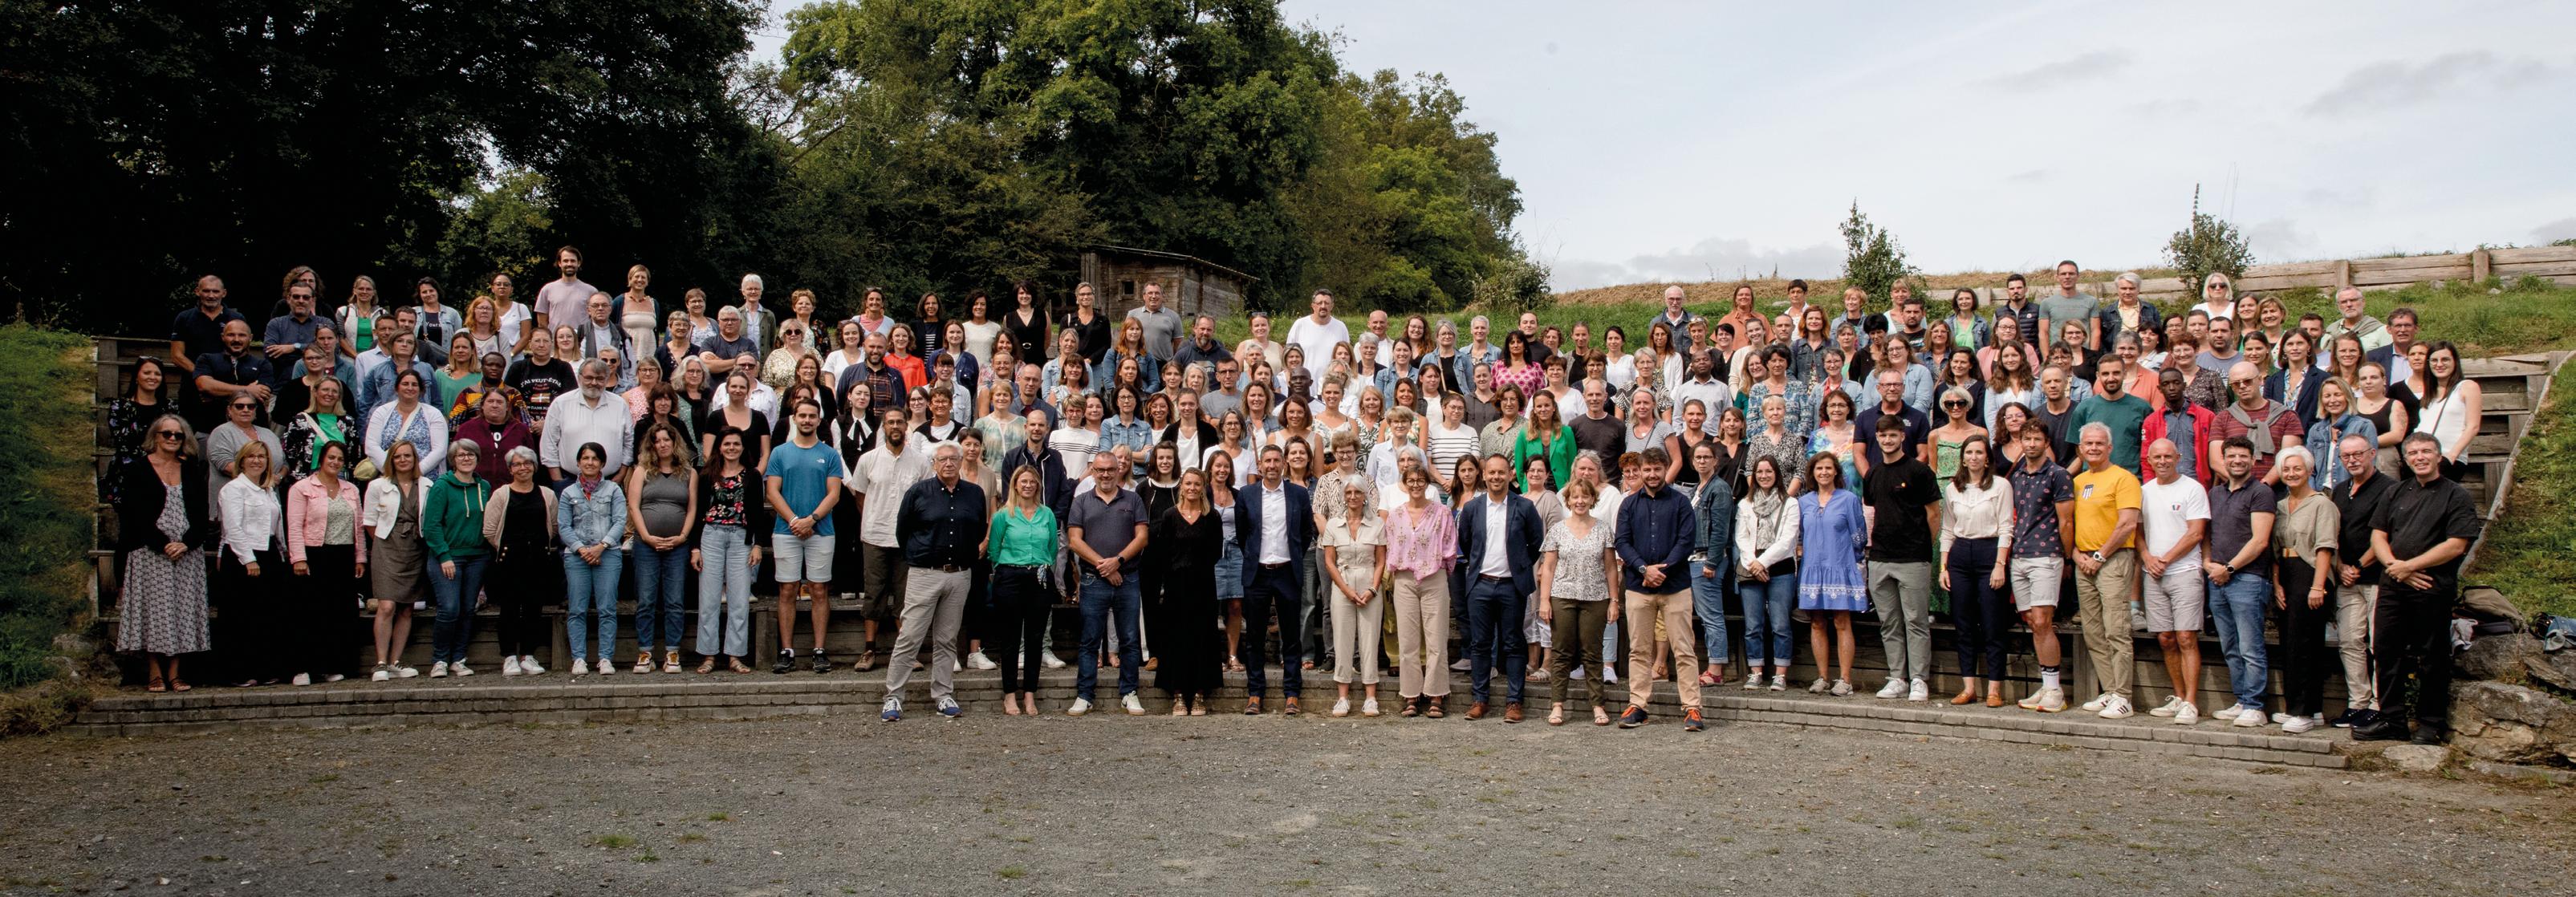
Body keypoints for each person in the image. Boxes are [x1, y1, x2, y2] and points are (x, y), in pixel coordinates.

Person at [2355, 433, 2483, 744]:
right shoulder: (2395, 491)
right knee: (2385, 651)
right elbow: (2378, 536)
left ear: (2439, 457)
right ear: (2406, 460)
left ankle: (2430, 723)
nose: (2420, 457)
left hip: (2432, 586)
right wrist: (2396, 567)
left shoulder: (2456, 495)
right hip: (2393, 585)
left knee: (2432, 656)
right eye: (2413, 453)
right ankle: (2393, 720)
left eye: (2426, 451)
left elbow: (2456, 545)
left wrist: (2410, 567)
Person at [877, 443, 988, 721]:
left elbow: (978, 529)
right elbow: (903, 531)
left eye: (953, 459)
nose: (948, 463)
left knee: (947, 639)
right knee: (910, 636)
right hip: (924, 574)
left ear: (961, 462)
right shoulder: (918, 492)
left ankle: (943, 694)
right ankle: (893, 697)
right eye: (943, 459)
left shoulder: (974, 494)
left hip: (959, 575)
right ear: (933, 463)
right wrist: (920, 556)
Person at [1608, 447, 1702, 731]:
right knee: (1638, 649)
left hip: (1675, 586)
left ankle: (1692, 707)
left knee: (1684, 649)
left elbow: (1686, 541)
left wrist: (1662, 570)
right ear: (1639, 471)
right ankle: (1638, 705)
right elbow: (1622, 541)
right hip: (1639, 587)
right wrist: (1643, 569)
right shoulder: (1628, 505)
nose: (1651, 474)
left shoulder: (1681, 503)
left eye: (1657, 469)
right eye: (1646, 469)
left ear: (1665, 470)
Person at [119, 414, 211, 692]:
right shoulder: (138, 469)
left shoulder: (191, 469)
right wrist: (163, 544)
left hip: (186, 553)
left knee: (182, 611)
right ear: (155, 437)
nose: (172, 439)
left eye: (178, 435)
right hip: (150, 552)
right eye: (166, 434)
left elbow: (201, 514)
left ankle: (175, 672)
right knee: (155, 613)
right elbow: (133, 514)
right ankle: (155, 672)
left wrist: (186, 543)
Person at [1065, 453, 1152, 716]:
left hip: (1128, 578)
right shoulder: (1081, 501)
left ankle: (1129, 692)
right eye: (1100, 470)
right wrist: (1105, 566)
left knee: (1129, 639)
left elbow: (1142, 537)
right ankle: (1085, 694)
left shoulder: (1133, 499)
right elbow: (1074, 541)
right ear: (1093, 472)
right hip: (1093, 579)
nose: (1105, 474)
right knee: (1089, 640)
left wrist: (1118, 561)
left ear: (1118, 471)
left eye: (1110, 470)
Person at [1458, 453, 1543, 723]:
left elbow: (1536, 543)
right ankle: (1479, 700)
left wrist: (1519, 566)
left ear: (1510, 475)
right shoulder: (1472, 508)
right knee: (1480, 644)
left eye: (1501, 472)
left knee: (1514, 643)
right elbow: (1466, 543)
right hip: (1481, 585)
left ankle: (1514, 702)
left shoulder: (1524, 506)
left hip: (1512, 587)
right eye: (1492, 472)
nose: (1496, 477)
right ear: (1484, 476)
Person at [1860, 416, 1940, 702]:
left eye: (1893, 435)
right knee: (1889, 622)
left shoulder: (1919, 471)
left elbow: (1934, 514)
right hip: (1880, 557)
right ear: (1877, 438)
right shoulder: (1873, 474)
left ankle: (1919, 679)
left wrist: (1923, 546)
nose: (1888, 440)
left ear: (1903, 437)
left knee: (1916, 621)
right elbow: (1872, 508)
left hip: (1913, 557)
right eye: (1883, 436)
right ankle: (1898, 678)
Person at [2067, 423, 2143, 719]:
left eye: (2099, 443)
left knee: (2116, 629)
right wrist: (2077, 555)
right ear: (2081, 449)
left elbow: (2127, 524)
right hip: (2083, 562)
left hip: (2113, 560)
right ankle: (2110, 690)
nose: (2094, 448)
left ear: (2110, 447)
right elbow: (2070, 523)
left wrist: (2099, 556)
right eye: (2088, 444)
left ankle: (2124, 696)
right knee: (2093, 631)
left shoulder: (2124, 479)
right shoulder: (2078, 481)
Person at [2135, 439, 2212, 724]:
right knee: (2165, 638)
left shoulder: (2192, 488)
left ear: (2178, 457)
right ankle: (2178, 697)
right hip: (2153, 574)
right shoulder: (2144, 492)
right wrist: (2147, 557)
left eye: (2168, 456)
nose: (2163, 461)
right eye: (2157, 457)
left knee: (2186, 637)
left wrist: (2165, 560)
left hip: (2185, 572)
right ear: (2149, 460)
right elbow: (2138, 531)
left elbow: (2196, 533)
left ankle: (2191, 702)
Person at [764, 399, 844, 673]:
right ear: (794, 418)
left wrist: (812, 519)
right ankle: (787, 651)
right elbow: (772, 492)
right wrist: (795, 521)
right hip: (786, 531)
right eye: (803, 415)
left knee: (819, 589)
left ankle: (819, 651)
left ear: (819, 420)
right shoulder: (780, 453)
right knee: (787, 589)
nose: (807, 420)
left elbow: (834, 494)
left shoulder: (829, 454)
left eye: (812, 416)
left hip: (821, 531)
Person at [1937, 435, 2015, 707]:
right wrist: (1944, 567)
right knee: (1964, 624)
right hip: (1960, 555)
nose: (1974, 457)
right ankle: (1968, 687)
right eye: (1969, 452)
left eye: (1979, 453)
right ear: (1962, 458)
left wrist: (2000, 564)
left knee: (1993, 623)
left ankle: (1994, 689)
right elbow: (1947, 529)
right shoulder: (1953, 489)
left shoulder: (2001, 486)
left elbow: (2006, 527)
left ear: (1987, 458)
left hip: (1989, 552)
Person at [607, 423, 691, 675]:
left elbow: (693, 508)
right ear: (651, 445)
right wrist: (645, 536)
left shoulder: (689, 473)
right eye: (657, 441)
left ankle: (672, 652)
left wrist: (682, 537)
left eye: (667, 440)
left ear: (674, 443)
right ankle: (645, 652)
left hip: (677, 545)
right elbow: (633, 506)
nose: (662, 444)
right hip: (646, 545)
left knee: (675, 601)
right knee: (646, 600)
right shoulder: (641, 471)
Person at [2267, 447, 2340, 734]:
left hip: (2310, 574)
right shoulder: (2281, 506)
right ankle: (2303, 707)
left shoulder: (2322, 504)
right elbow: (2275, 550)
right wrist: (2277, 584)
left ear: (2310, 471)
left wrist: (2318, 586)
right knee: (2290, 643)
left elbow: (2325, 547)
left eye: (2297, 468)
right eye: (2286, 469)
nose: (2291, 473)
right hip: (2286, 574)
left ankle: (2304, 711)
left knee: (2305, 644)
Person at [2005, 421, 2077, 711]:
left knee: (2043, 620)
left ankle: (2055, 690)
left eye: (2037, 439)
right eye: (2027, 439)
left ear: (2046, 443)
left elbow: (2066, 521)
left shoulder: (2058, 474)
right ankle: (2046, 685)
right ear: (2021, 442)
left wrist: (2068, 558)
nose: (2032, 444)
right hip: (2019, 554)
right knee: (2032, 621)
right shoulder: (2017, 475)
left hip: (2047, 554)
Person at [1536, 477, 1618, 727]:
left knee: (1592, 653)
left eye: (1585, 496)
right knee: (1561, 652)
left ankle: (1598, 705)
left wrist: (1614, 600)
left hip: (1596, 598)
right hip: (1562, 596)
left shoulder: (1603, 529)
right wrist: (1544, 601)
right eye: (1575, 497)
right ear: (1568, 501)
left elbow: (1611, 568)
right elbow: (1548, 568)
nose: (1580, 501)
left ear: (1593, 499)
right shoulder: (1558, 530)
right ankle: (1557, 704)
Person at [282, 439, 364, 686]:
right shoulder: (302, 488)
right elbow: (294, 526)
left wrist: (360, 557)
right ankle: (302, 668)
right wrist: (299, 558)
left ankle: (332, 666)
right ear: (321, 459)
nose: (335, 462)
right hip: (314, 554)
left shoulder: (351, 489)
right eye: (331, 457)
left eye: (340, 459)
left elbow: (358, 527)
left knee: (338, 614)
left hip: (343, 556)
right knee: (309, 613)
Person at [415, 440, 491, 680]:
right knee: (449, 608)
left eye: (471, 454)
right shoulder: (442, 486)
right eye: (461, 455)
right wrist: (444, 555)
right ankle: (440, 660)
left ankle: (458, 659)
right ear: (452, 460)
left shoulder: (484, 487)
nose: (466, 458)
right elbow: (432, 526)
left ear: (477, 458)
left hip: (477, 557)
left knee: (468, 609)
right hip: (447, 557)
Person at [1794, 451, 1867, 695]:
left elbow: (1859, 535)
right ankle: (1822, 677)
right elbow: (1800, 535)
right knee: (1816, 623)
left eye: (1828, 468)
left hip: (1840, 566)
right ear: (1812, 473)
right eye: (1819, 468)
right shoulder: (1804, 501)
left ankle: (1845, 679)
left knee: (1841, 621)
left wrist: (1852, 562)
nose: (1823, 472)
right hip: (1812, 568)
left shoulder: (1848, 499)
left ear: (1836, 471)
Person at [480, 446, 555, 676]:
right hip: (510, 560)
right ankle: (509, 656)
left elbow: (553, 526)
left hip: (538, 559)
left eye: (527, 463)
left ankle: (528, 655)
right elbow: (489, 530)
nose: (523, 468)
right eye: (517, 464)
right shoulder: (501, 494)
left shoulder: (547, 494)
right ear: (510, 469)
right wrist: (509, 548)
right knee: (510, 608)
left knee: (534, 607)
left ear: (534, 466)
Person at [555, 442, 628, 676]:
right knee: (577, 609)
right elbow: (563, 526)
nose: (590, 462)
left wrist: (601, 546)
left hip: (608, 554)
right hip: (577, 556)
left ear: (602, 463)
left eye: (595, 458)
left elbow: (620, 521)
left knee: (607, 609)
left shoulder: (613, 490)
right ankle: (579, 659)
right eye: (585, 458)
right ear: (578, 462)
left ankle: (605, 658)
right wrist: (582, 550)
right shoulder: (569, 493)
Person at [1318, 477, 1388, 718]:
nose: (1353, 496)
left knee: (1370, 641)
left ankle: (1371, 697)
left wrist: (1373, 589)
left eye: (1358, 492)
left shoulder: (1377, 524)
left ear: (1365, 495)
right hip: (1343, 584)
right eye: (1349, 492)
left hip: (1369, 583)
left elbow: (1381, 561)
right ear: (1343, 496)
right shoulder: (1333, 525)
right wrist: (1347, 590)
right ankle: (1342, 697)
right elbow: (1329, 561)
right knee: (1342, 640)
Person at [2413, 343, 2481, 480]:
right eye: (2434, 360)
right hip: (2422, 458)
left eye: (2445, 359)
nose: (2439, 364)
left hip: (2448, 458)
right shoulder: (2429, 393)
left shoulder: (2467, 387)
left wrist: (2451, 456)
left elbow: (2473, 426)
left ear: (2455, 361)